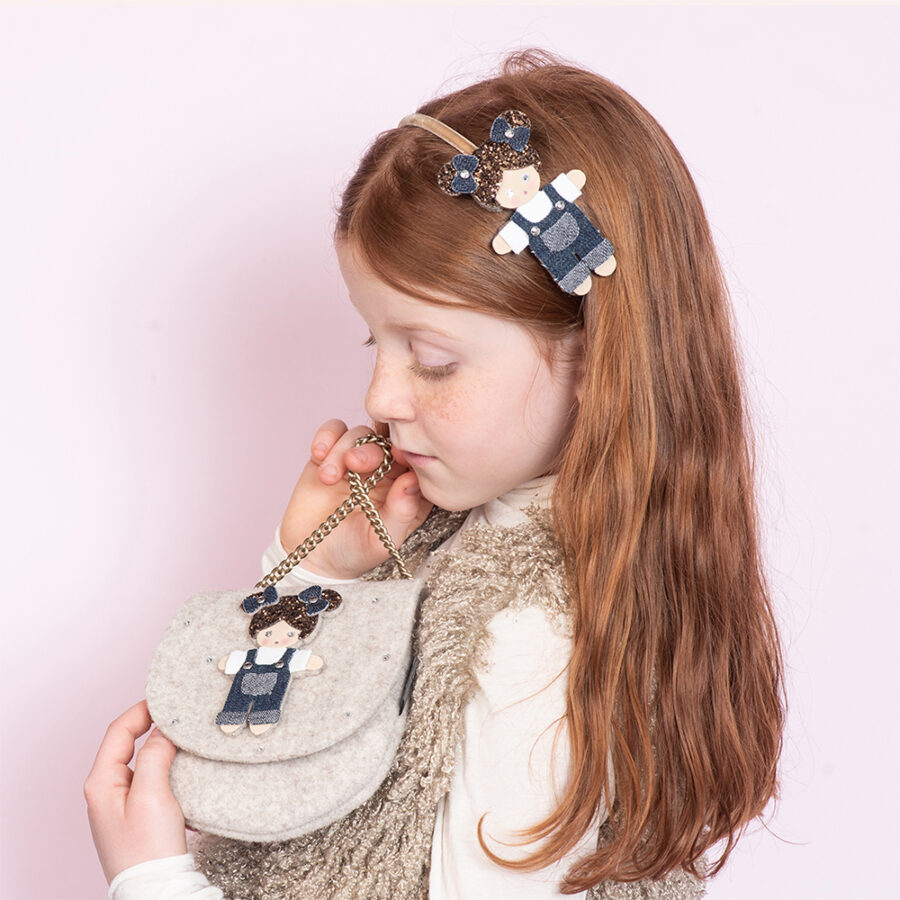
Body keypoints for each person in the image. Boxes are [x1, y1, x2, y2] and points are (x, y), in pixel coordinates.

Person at [84, 48, 785, 899]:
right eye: (374, 342)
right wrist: (320, 572)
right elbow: (307, 763)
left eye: (434, 359)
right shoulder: (468, 526)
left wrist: (154, 879)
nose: (379, 397)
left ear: (597, 359)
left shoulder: (534, 643)